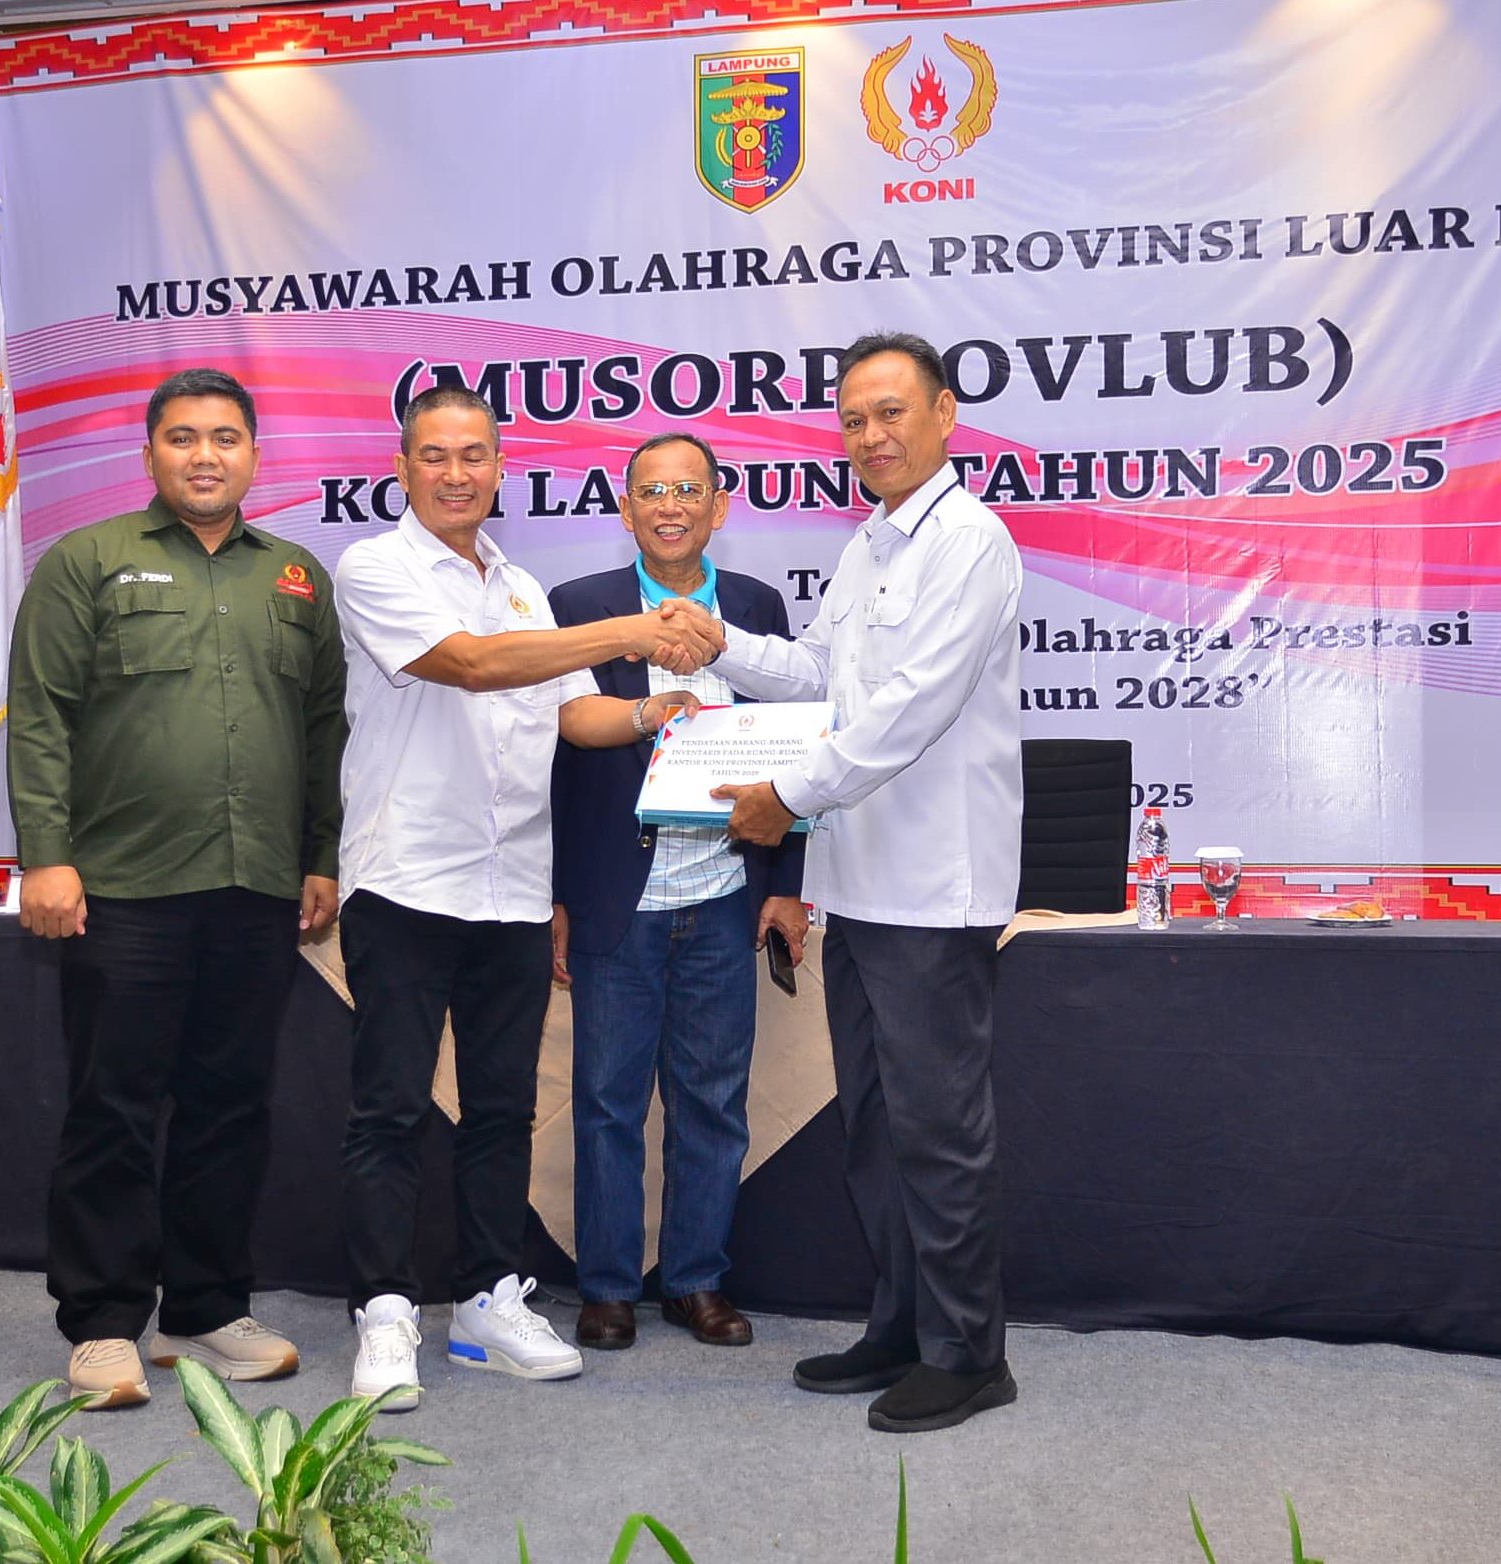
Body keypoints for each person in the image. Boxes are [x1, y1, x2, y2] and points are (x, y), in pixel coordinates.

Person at [333, 385, 721, 1411]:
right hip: (407, 879)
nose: (456, 473)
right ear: (403, 469)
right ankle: (382, 1310)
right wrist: (631, 630)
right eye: (434, 455)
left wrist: (657, 711)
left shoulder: (521, 588)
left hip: (510, 887)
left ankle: (485, 1300)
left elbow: (573, 718)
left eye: (475, 455)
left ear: (501, 469)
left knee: (501, 1110)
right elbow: (470, 666)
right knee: (388, 1108)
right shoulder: (373, 568)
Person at [671, 331, 1024, 1433]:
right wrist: (718, 643)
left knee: (939, 1130)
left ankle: (968, 1354)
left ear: (945, 414)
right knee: (875, 1128)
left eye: (891, 412)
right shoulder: (869, 542)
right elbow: (821, 674)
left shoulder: (970, 542)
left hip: (934, 889)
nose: (871, 436)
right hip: (861, 885)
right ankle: (901, 1327)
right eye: (854, 420)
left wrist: (783, 796)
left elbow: (907, 711)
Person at [7, 367, 347, 1408]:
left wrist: (320, 855)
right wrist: (45, 855)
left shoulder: (295, 575)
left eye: (226, 438)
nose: (206, 455)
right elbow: (40, 714)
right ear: (150, 451)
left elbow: (322, 728)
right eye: (184, 437)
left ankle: (202, 1310)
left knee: (229, 1108)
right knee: (113, 1108)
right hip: (123, 888)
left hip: (255, 887)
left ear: (254, 456)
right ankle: (104, 1323)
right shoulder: (86, 560)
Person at [547, 432, 807, 1352]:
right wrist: (559, 894)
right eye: (652, 491)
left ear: (719, 507)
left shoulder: (757, 608)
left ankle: (697, 1280)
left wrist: (786, 883)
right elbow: (557, 760)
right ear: (626, 510)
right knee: (607, 1103)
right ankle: (608, 1287)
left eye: (688, 490)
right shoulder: (580, 607)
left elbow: (794, 748)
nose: (670, 507)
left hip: (727, 892)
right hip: (618, 898)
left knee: (713, 1103)